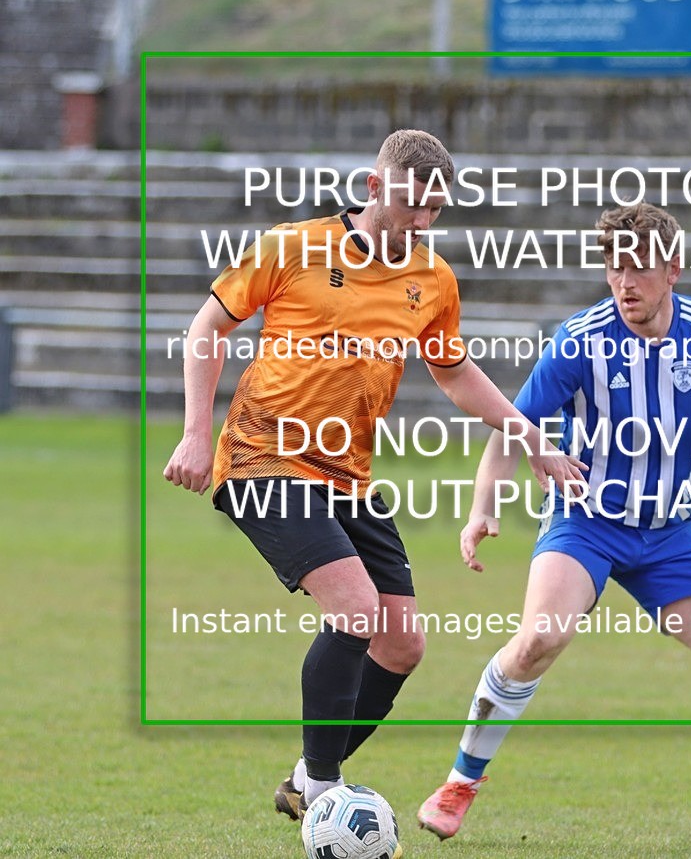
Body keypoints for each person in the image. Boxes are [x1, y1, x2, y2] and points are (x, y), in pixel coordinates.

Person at [162, 129, 585, 829]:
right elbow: (208, 325)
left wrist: (530, 437)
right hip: (263, 457)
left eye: (434, 210)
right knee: (356, 612)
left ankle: (305, 777)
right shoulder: (294, 246)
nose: (421, 221)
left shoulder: (433, 280)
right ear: (372, 188)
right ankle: (326, 792)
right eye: (411, 204)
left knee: (400, 642)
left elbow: (453, 373)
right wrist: (196, 432)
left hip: (346, 474)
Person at [417, 202, 691, 850]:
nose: (624, 283)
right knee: (539, 638)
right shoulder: (579, 339)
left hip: (669, 533)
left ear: (673, 268)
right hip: (585, 520)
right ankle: (459, 782)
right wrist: (483, 508)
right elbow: (511, 424)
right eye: (614, 268)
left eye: (638, 268)